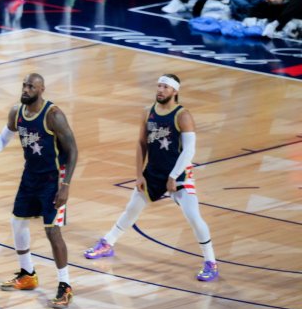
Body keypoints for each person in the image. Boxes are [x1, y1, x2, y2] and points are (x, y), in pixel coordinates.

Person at [83, 75, 219, 281]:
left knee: (193, 216)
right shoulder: (148, 112)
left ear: (175, 91)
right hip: (154, 172)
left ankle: (211, 262)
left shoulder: (183, 115)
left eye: (165, 87)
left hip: (179, 174)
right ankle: (107, 243)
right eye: (159, 86)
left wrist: (173, 176)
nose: (160, 90)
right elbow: (141, 144)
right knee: (132, 208)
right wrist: (138, 174)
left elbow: (189, 151)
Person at [0, 73, 79, 309]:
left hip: (53, 180)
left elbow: (73, 149)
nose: (25, 89)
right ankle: (27, 273)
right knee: (17, 223)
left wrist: (65, 185)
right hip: (30, 177)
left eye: (31, 86)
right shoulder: (17, 112)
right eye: (24, 85)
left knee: (52, 232)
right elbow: (3, 138)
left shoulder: (53, 115)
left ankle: (65, 285)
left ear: (41, 89)